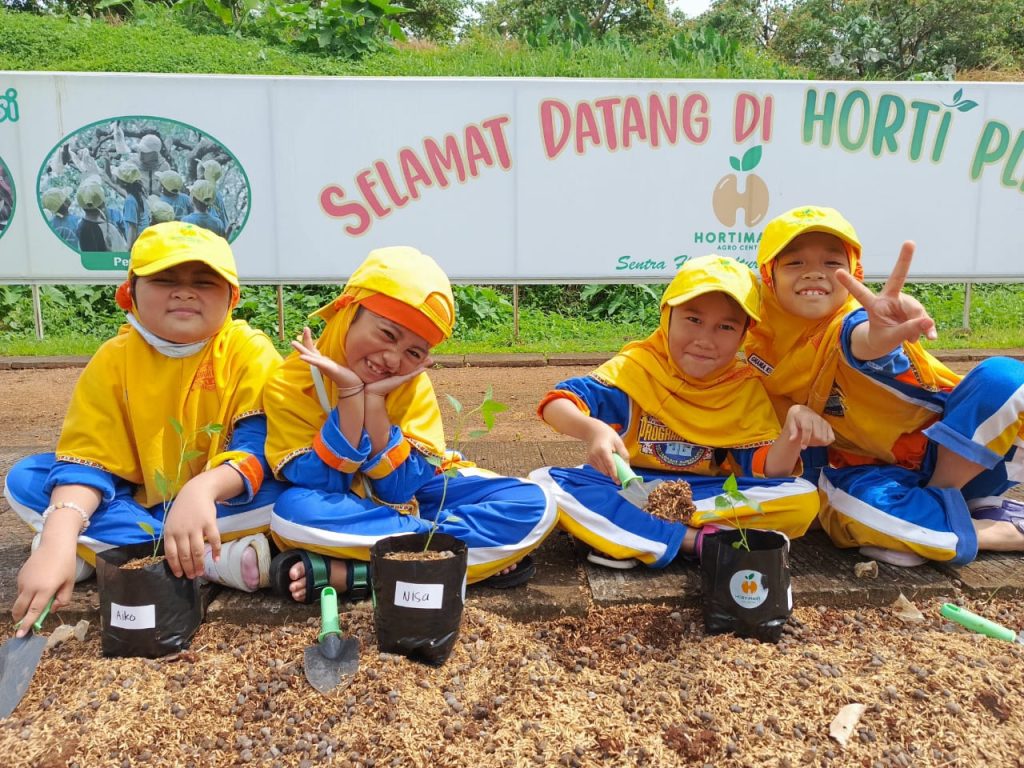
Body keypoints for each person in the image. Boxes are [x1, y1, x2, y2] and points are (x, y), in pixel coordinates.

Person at [4, 222, 285, 635]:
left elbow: (259, 445)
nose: (185, 292)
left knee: (294, 494)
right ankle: (207, 560)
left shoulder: (248, 350)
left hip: (220, 504)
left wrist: (201, 490)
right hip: (138, 504)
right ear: (129, 292)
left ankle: (110, 548)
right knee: (25, 479)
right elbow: (89, 460)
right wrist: (58, 538)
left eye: (205, 282)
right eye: (165, 279)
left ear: (232, 298)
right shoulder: (114, 359)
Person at [264, 246, 556, 603]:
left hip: (412, 505)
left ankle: (360, 573)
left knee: (536, 503)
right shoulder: (290, 381)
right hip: (342, 514)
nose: (391, 359)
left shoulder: (412, 384)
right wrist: (350, 395)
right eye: (387, 334)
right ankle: (454, 556)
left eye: (413, 353)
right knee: (292, 514)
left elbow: (400, 491)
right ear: (348, 311)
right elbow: (322, 482)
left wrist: (374, 404)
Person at [745, 205, 1024, 566]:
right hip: (869, 472)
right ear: (769, 277)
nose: (814, 273)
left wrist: (879, 335)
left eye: (833, 263)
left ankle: (946, 507)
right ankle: (988, 526)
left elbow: (862, 341)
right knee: (850, 507)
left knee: (1004, 378)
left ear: (854, 274)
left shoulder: (852, 323)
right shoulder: (757, 340)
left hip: (964, 455)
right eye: (794, 263)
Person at [529, 254, 828, 569]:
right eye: (693, 319)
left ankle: (631, 535)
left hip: (701, 497)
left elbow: (765, 470)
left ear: (743, 335)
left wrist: (793, 434)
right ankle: (698, 541)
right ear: (667, 316)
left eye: (725, 327)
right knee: (546, 483)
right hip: (631, 488)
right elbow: (557, 402)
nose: (705, 340)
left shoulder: (743, 389)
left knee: (803, 498)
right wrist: (593, 430)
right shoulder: (638, 369)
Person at [75, 178, 128, 253]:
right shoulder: (110, 230)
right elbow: (120, 255)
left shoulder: (79, 227)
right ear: (103, 203)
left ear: (81, 205)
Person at [113, 161, 151, 250]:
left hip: (137, 245)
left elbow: (132, 227)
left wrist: (129, 249)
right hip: (144, 241)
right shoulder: (139, 194)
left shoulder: (130, 200)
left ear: (124, 183)